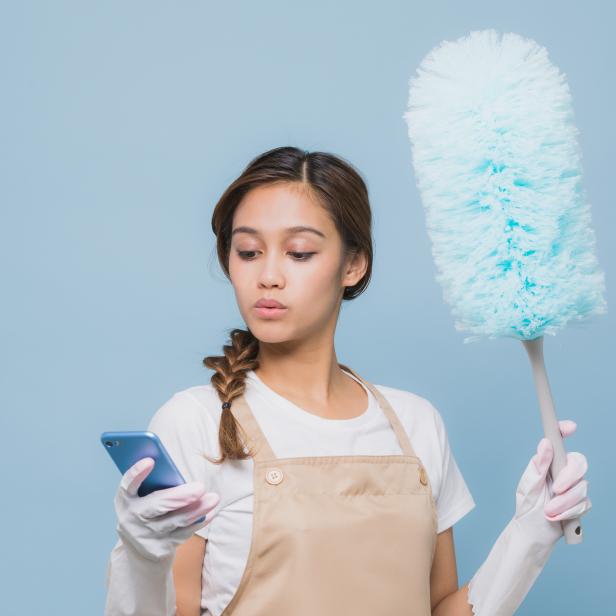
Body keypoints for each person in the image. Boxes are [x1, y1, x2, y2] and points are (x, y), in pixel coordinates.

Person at [104, 146, 592, 616]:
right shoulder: (197, 424)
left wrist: (529, 536)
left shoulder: (417, 424)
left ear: (353, 265)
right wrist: (142, 558)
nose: (268, 276)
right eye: (248, 251)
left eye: (298, 253)